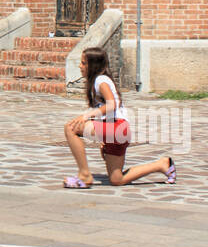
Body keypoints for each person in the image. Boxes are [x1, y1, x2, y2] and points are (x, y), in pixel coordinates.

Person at [63, 48, 174, 188]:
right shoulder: (101, 80)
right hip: (119, 131)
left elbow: (112, 104)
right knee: (117, 179)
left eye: (83, 63)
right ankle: (162, 164)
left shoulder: (100, 80)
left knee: (70, 128)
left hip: (117, 128)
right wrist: (105, 138)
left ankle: (84, 175)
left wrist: (86, 116)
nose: (80, 66)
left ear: (93, 66)